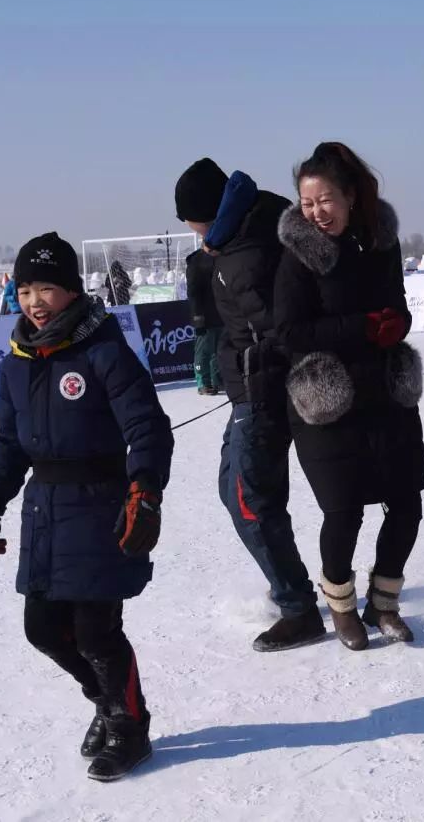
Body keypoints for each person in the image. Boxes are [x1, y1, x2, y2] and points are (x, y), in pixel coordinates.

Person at [0, 231, 173, 781]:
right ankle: (107, 705)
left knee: (95, 630)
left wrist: (145, 490)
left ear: (71, 290)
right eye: (25, 289)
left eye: (48, 288)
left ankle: (129, 727)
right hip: (44, 512)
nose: (35, 301)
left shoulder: (103, 349)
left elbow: (147, 426)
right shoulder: (17, 361)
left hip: (101, 506)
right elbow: (9, 442)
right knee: (42, 629)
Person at [275, 141, 424, 651]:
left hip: (384, 392)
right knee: (344, 512)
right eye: (307, 202)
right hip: (327, 400)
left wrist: (395, 324)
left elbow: (399, 306)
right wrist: (360, 328)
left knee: (406, 506)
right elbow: (290, 332)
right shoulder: (299, 257)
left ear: (350, 199)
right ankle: (340, 607)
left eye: (326, 201)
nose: (317, 212)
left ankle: (383, 602)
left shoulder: (382, 244)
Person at [175, 158, 322, 653]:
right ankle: (290, 586)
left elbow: (282, 324)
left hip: (262, 389)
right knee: (235, 490)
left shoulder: (246, 251)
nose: (193, 232)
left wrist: (259, 373)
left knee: (249, 499)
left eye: (192, 221)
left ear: (210, 211)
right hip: (249, 386)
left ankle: (298, 607)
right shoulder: (244, 231)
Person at [185, 247, 224, 395]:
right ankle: (203, 383)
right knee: (204, 351)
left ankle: (217, 381)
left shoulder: (221, 256)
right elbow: (193, 292)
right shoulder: (196, 261)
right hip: (204, 315)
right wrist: (197, 317)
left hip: (221, 313)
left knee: (219, 350)